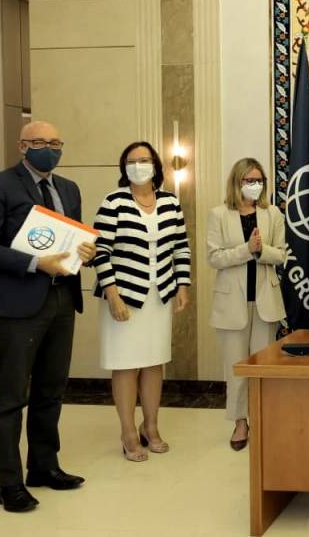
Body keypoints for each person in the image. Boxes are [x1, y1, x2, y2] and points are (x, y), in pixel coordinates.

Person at [0, 121, 96, 512]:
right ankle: (9, 484)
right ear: (23, 146)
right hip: (16, 304)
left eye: (56, 142)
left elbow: (74, 239)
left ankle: (44, 466)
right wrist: (35, 263)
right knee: (11, 396)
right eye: (40, 142)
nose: (49, 148)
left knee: (51, 389)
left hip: (62, 298)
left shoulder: (69, 188)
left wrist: (86, 252)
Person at [92, 142, 191, 462]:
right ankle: (128, 432)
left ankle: (151, 426)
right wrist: (112, 295)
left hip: (159, 295)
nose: (138, 166)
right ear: (124, 167)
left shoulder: (170, 202)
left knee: (153, 362)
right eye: (132, 161)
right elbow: (100, 251)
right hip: (123, 297)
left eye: (144, 160)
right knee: (125, 364)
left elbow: (181, 247)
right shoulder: (114, 202)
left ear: (156, 166)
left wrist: (182, 285)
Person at [207, 158, 286, 450]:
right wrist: (246, 249)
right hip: (232, 304)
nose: (255, 185)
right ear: (237, 182)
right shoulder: (218, 214)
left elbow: (281, 255)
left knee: (263, 367)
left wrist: (261, 250)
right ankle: (240, 422)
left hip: (266, 302)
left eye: (259, 180)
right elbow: (214, 258)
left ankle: (263, 420)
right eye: (249, 180)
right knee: (237, 368)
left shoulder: (272, 213)